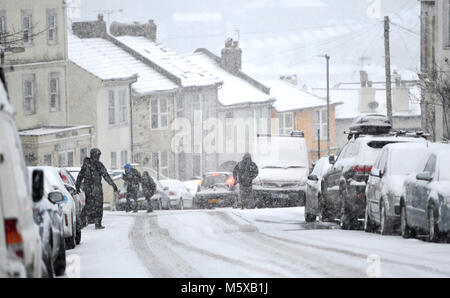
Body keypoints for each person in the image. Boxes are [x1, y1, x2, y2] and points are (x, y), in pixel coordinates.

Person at [76, 148, 118, 230]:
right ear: (94, 155)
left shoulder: (87, 164)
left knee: (90, 205)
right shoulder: (96, 165)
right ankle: (94, 223)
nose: (98, 157)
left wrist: (77, 185)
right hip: (94, 187)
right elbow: (106, 176)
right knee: (96, 205)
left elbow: (80, 176)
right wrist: (113, 185)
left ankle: (84, 222)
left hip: (90, 187)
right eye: (98, 155)